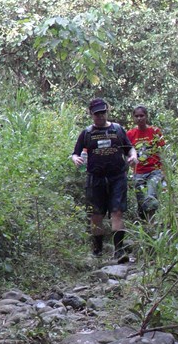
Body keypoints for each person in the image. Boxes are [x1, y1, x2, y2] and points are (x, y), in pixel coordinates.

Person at [71, 98, 137, 262]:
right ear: (91, 114)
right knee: (96, 215)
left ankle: (119, 251)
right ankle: (97, 250)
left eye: (103, 113)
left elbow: (129, 148)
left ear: (107, 112)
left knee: (117, 212)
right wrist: (75, 159)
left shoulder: (117, 129)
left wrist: (133, 156)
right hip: (95, 178)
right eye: (97, 114)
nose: (100, 116)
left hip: (117, 177)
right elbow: (75, 153)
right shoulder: (87, 133)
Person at [126, 105, 166, 221]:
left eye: (142, 115)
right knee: (141, 201)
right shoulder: (130, 134)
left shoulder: (155, 131)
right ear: (133, 118)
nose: (139, 118)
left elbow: (162, 152)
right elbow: (127, 153)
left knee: (151, 196)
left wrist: (164, 172)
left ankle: (152, 225)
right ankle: (145, 223)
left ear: (146, 116)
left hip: (155, 171)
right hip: (138, 172)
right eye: (136, 116)